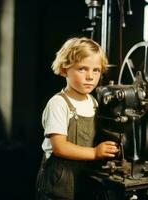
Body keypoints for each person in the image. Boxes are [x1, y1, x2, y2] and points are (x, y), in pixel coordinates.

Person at [35, 37, 119, 200]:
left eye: (96, 70)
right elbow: (60, 147)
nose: (90, 77)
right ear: (64, 69)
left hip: (82, 178)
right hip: (58, 182)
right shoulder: (59, 104)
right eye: (82, 69)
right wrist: (95, 152)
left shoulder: (93, 102)